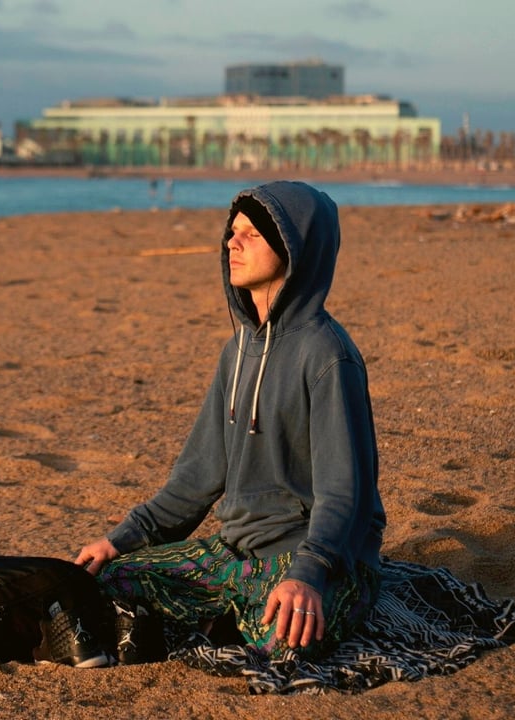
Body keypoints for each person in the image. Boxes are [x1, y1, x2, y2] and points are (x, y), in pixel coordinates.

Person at [74, 180, 386, 661]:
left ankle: (225, 616)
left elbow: (345, 493)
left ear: (294, 249)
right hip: (235, 553)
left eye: (252, 235)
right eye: (232, 231)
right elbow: (196, 479)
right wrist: (121, 540)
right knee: (105, 579)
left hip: (313, 557)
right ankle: (222, 612)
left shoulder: (327, 355)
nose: (231, 243)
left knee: (282, 643)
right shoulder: (237, 349)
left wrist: (309, 573)